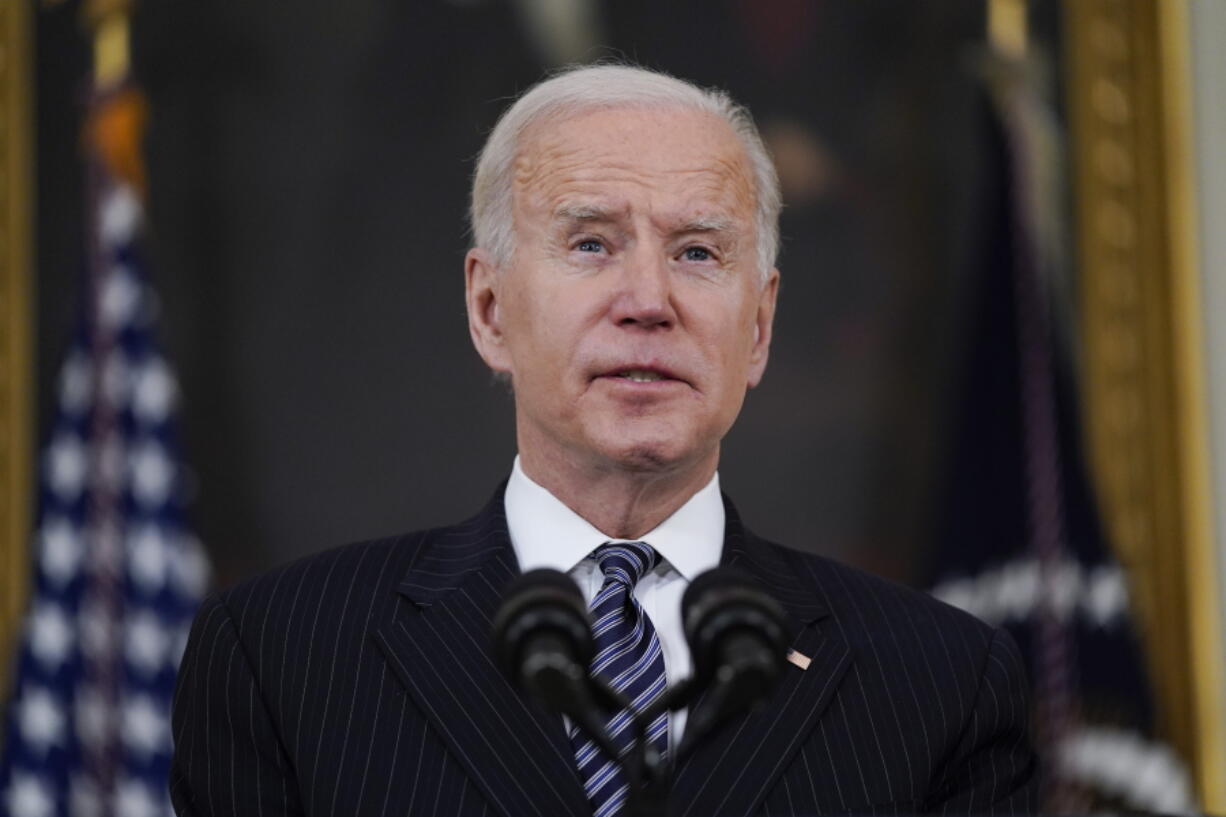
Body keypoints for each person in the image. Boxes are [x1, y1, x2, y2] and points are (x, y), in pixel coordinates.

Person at [170, 64, 1037, 816]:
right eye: (591, 243)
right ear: (490, 310)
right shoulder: (284, 657)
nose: (648, 300)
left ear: (761, 327)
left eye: (698, 253)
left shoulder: (940, 683)